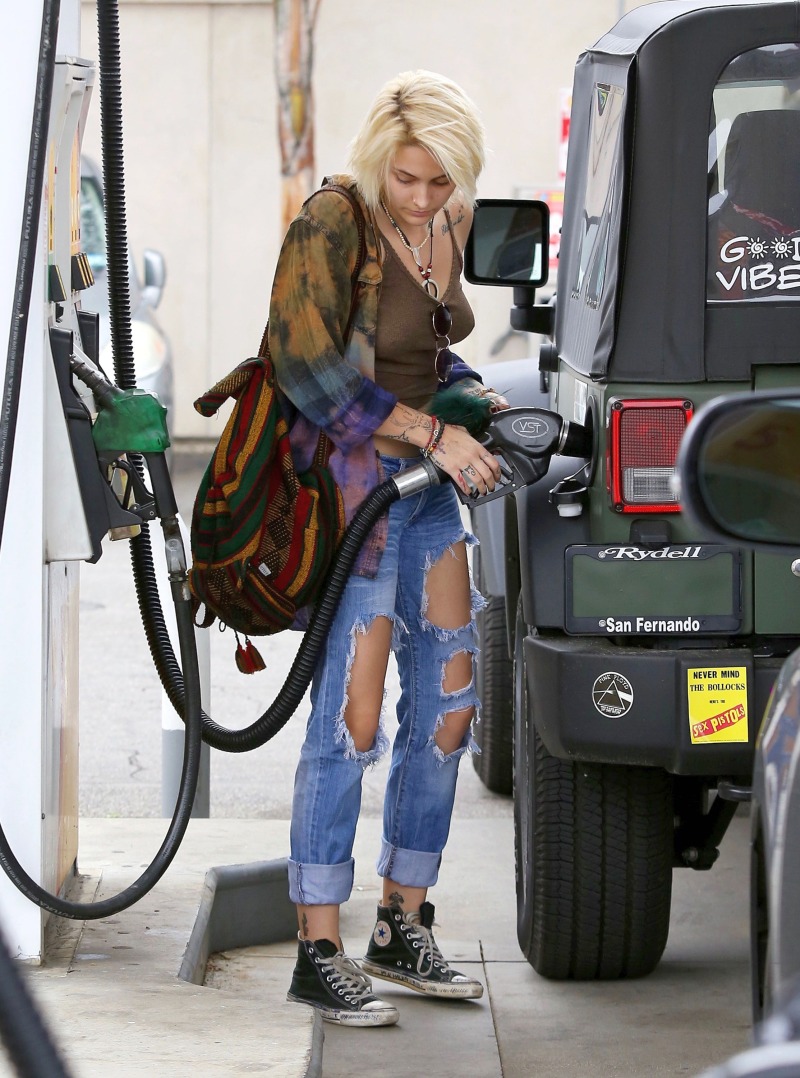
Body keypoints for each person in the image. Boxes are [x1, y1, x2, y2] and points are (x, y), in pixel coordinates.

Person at [267, 70, 508, 1028]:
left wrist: (469, 394)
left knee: (450, 707)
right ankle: (317, 949)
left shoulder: (449, 220)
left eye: (441, 181)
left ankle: (402, 923)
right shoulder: (334, 222)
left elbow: (425, 350)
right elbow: (305, 365)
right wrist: (431, 430)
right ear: (379, 162)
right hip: (356, 496)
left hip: (427, 497)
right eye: (407, 178)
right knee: (352, 719)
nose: (422, 197)